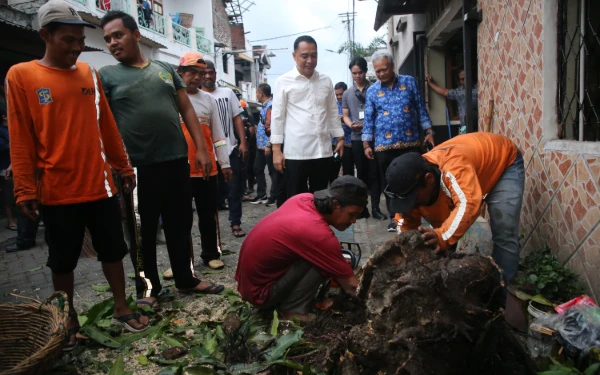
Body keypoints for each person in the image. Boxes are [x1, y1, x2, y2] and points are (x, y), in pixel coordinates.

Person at [5, 0, 149, 349]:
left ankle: (121, 305)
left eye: (80, 40)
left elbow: (107, 126)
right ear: (45, 35)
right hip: (56, 190)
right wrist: (24, 189)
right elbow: (20, 136)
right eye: (68, 40)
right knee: (62, 260)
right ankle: (68, 319)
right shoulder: (21, 75)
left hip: (99, 185)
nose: (76, 47)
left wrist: (122, 165)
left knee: (114, 251)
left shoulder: (88, 75)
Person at [99, 11, 224, 311]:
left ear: (136, 34)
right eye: (107, 39)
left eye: (118, 35)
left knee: (180, 224)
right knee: (142, 231)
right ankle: (148, 287)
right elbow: (100, 121)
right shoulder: (106, 76)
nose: (113, 43)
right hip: (137, 168)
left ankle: (186, 278)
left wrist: (203, 150)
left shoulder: (167, 70)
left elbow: (188, 111)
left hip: (177, 161)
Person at [386, 132, 524, 284]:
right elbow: (405, 226)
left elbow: (469, 204)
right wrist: (405, 251)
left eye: (414, 199)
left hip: (502, 161)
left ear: (429, 179)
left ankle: (505, 294)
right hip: (471, 170)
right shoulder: (411, 183)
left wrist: (442, 236)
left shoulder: (454, 168)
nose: (411, 205)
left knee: (504, 231)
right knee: (443, 234)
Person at [235, 175, 365, 322]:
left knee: (323, 255)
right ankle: (292, 311)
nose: (353, 221)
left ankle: (294, 302)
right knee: (321, 261)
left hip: (249, 285)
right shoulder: (318, 234)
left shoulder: (304, 198)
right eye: (352, 214)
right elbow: (352, 287)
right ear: (335, 204)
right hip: (260, 294)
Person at [362, 50, 435, 232]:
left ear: (393, 66)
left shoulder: (409, 82)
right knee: (390, 184)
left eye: (384, 69)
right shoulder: (372, 91)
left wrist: (429, 130)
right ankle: (396, 219)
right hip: (383, 147)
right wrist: (366, 144)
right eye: (377, 71)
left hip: (410, 143)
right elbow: (369, 119)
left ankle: (418, 215)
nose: (381, 74)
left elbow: (420, 107)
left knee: (415, 180)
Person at [271, 35, 345, 201]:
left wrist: (340, 137)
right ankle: (297, 228)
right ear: (294, 56)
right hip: (296, 153)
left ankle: (317, 227)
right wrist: (276, 150)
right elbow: (277, 117)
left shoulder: (325, 80)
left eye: (314, 55)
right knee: (297, 200)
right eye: (305, 56)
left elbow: (332, 111)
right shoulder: (283, 81)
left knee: (321, 199)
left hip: (322, 151)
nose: (310, 60)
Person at [177, 51, 232, 270]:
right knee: (180, 218)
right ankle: (182, 260)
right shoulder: (172, 98)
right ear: (180, 73)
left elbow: (218, 135)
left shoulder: (209, 100)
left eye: (201, 73)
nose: (197, 77)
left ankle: (211, 253)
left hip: (207, 168)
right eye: (192, 72)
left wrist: (225, 163)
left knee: (208, 214)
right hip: (180, 168)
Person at [201, 60, 249, 238]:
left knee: (234, 189)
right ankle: (211, 230)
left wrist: (243, 142)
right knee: (210, 193)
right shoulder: (196, 96)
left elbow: (237, 119)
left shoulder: (227, 93)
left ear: (215, 74)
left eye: (211, 72)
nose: (208, 76)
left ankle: (235, 223)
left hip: (229, 150)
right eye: (204, 72)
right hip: (207, 152)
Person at [342, 56, 387, 221]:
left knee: (375, 174)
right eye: (354, 73)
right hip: (356, 138)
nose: (357, 76)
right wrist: (350, 124)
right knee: (360, 174)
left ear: (365, 72)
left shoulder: (376, 88)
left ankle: (376, 208)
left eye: (360, 72)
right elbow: (345, 115)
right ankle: (362, 208)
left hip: (376, 137)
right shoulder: (347, 93)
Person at [252, 83, 282, 206]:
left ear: (261, 93)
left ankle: (274, 196)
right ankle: (261, 194)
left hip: (268, 145)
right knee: (257, 168)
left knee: (272, 172)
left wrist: (269, 144)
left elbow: (274, 128)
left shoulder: (272, 106)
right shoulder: (263, 107)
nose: (256, 96)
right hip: (260, 145)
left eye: (257, 93)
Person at [426, 69, 478, 135]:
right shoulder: (459, 92)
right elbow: (445, 92)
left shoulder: (479, 87)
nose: (465, 80)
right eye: (462, 79)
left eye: (466, 77)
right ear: (460, 80)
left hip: (481, 123)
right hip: (465, 127)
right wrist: (431, 83)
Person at [330, 82, 353, 184]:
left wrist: (343, 120)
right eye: (337, 94)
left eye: (341, 94)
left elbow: (356, 121)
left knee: (348, 171)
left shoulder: (351, 105)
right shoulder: (333, 106)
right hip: (335, 145)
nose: (339, 97)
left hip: (348, 145)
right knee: (333, 169)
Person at [0, 98, 16, 232]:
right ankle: (11, 220)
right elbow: (3, 147)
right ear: (4, 117)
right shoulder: (1, 131)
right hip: (5, 165)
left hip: (17, 163)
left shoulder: (15, 127)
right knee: (8, 194)